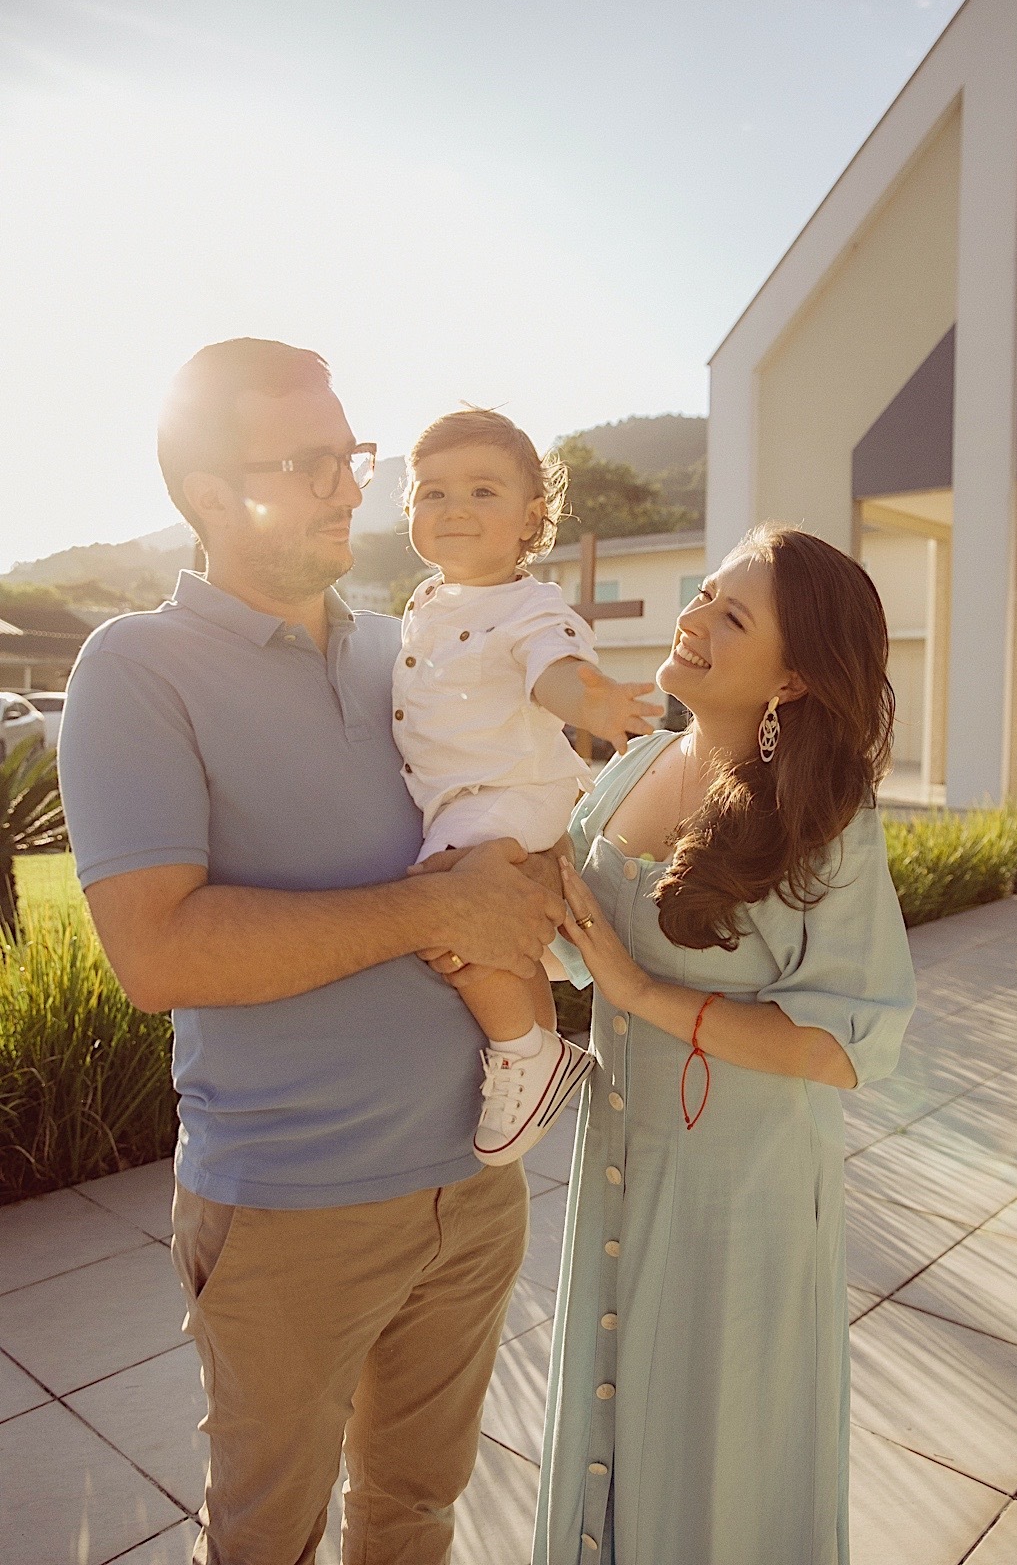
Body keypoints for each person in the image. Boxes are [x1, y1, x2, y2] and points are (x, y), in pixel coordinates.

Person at [57, 338, 571, 1565]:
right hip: (291, 1211)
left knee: (411, 1515)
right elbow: (157, 954)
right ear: (206, 494)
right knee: (265, 1539)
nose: (349, 488)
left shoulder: (407, 644)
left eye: (350, 454)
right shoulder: (134, 669)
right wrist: (433, 911)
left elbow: (509, 822)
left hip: (475, 1185)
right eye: (306, 461)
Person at [533, 523, 917, 1565]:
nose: (692, 617)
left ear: (792, 676)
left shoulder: (824, 821)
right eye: (701, 593)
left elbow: (847, 1043)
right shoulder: (634, 766)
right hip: (616, 1164)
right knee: (610, 1435)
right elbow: (562, 928)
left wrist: (637, 991)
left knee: (716, 1471)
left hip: (738, 1198)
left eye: (729, 614)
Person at [396, 409, 660, 1167]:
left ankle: (523, 1054)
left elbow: (553, 670)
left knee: (450, 904)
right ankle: (538, 1044)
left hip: (511, 791)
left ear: (530, 520)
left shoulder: (530, 606)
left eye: (482, 492)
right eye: (431, 493)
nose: (453, 510)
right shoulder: (424, 602)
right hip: (467, 795)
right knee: (500, 939)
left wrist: (595, 703)